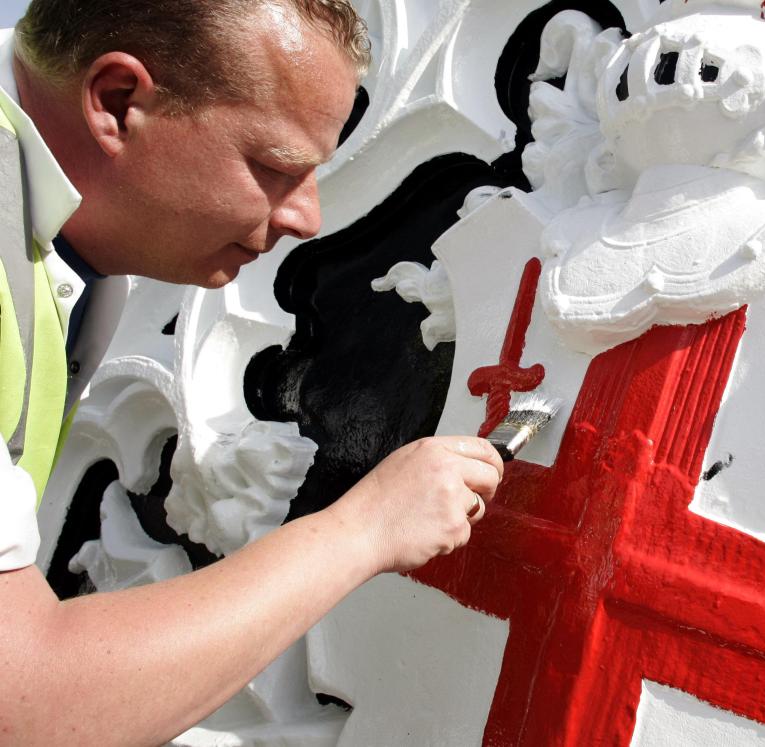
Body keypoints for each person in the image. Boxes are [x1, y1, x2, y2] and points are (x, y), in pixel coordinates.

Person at [0, 1, 503, 744]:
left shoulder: (67, 250)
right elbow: (26, 700)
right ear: (118, 102)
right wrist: (364, 529)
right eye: (274, 167)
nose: (307, 216)